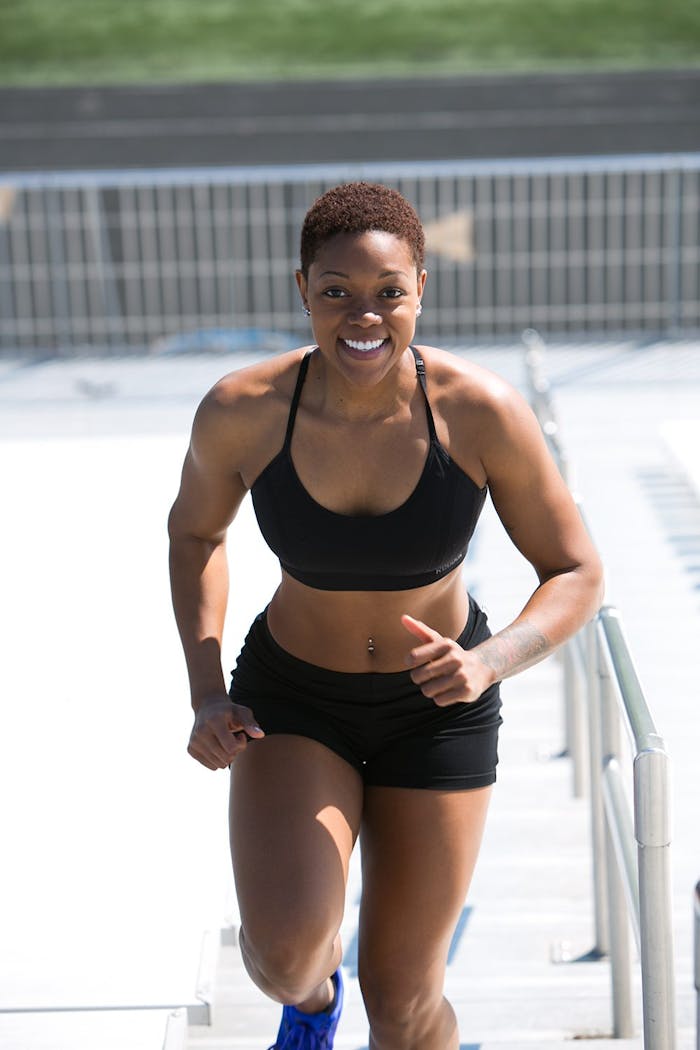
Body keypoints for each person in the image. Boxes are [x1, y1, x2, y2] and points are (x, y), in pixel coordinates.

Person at [168, 181, 604, 1050]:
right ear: (302, 290)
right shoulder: (242, 411)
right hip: (294, 701)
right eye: (336, 292)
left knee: (404, 1001)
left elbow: (575, 570)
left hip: (438, 713)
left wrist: (492, 660)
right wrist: (208, 692)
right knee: (285, 957)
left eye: (387, 293)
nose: (362, 317)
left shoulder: (480, 411)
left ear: (421, 289)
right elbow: (195, 538)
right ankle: (313, 1007)